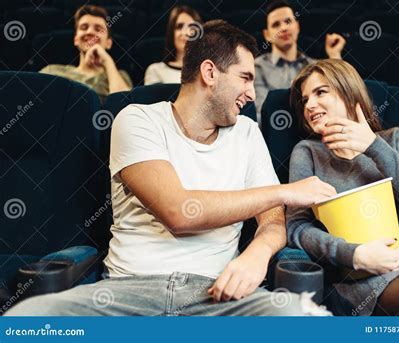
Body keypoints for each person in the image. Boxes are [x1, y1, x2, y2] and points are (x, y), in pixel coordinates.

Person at [5, 20, 335, 317]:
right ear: (209, 73)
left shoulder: (247, 133)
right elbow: (180, 213)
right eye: (245, 78)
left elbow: (273, 218)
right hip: (126, 293)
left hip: (218, 296)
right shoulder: (137, 119)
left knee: (300, 315)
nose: (251, 93)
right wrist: (286, 190)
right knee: (29, 317)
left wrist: (257, 255)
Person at [286, 59, 399, 316]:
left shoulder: (391, 141)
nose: (309, 105)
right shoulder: (307, 152)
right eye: (305, 99)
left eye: (320, 92)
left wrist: (373, 146)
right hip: (354, 281)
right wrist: (354, 254)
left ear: (348, 91)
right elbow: (296, 228)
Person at [254, 0, 346, 121]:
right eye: (276, 24)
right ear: (267, 35)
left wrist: (334, 55)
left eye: (288, 21)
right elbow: (263, 113)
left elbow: (342, 98)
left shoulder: (316, 66)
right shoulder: (257, 67)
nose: (283, 28)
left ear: (297, 26)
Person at [40, 5, 132, 103]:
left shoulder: (119, 76)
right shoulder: (51, 71)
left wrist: (107, 61)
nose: (90, 32)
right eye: (84, 28)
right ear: (75, 39)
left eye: (98, 29)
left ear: (108, 43)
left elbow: (124, 106)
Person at [144, 6, 202, 85]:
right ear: (172, 33)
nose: (186, 33)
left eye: (192, 28)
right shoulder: (156, 70)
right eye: (180, 26)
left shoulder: (207, 72)